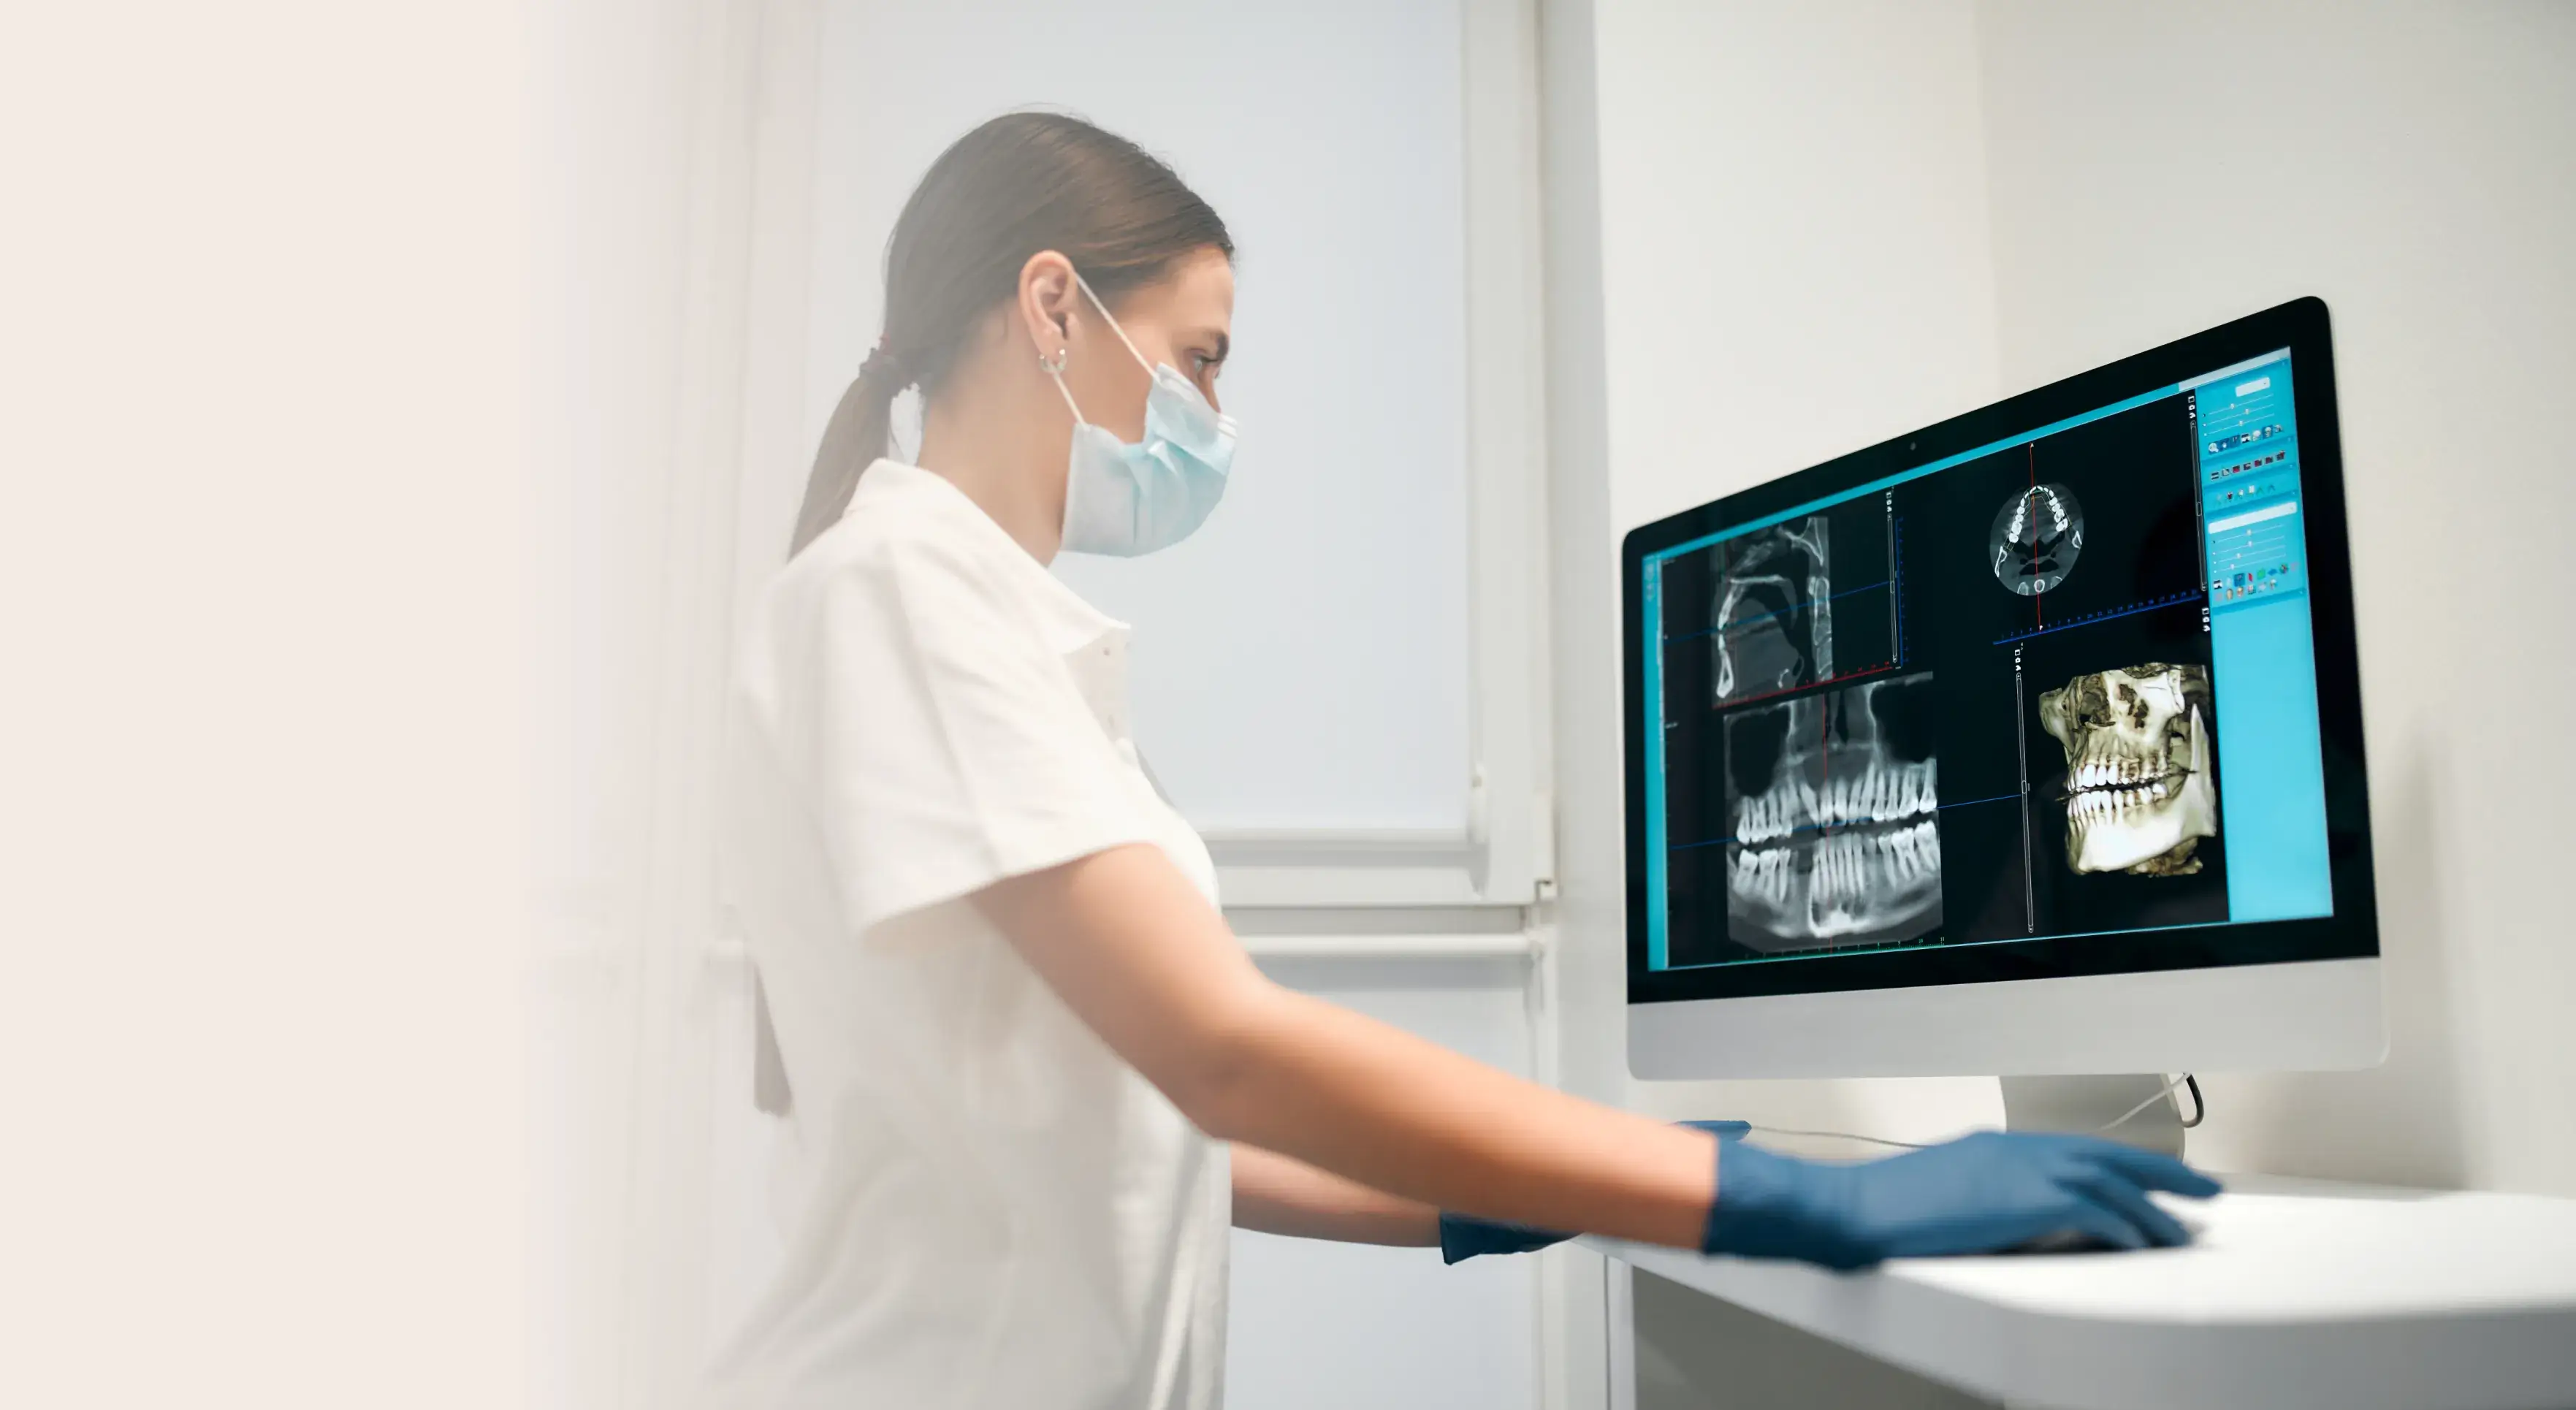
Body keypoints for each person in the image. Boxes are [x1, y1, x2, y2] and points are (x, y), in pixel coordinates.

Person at [713, 112, 2217, 1410]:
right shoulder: (899, 592)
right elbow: (1221, 1047)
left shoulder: (985, 623)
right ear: (1053, 306)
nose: (1214, 419)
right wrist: (1774, 1197)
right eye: (1198, 360)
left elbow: (1155, 1137)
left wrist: (1496, 1191)